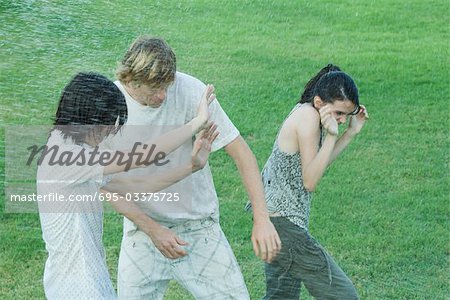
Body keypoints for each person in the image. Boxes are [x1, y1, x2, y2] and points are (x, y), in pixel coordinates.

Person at [109, 36, 281, 299]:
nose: (163, 96)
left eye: (167, 86)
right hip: (142, 231)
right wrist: (154, 231)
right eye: (155, 89)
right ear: (131, 79)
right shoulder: (109, 105)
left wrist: (262, 218)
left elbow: (242, 154)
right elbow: (107, 186)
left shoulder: (190, 91)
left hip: (198, 227)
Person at [37, 71, 217, 299]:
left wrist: (191, 167)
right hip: (77, 288)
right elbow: (142, 156)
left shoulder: (74, 150)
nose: (109, 132)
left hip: (89, 279)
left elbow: (135, 187)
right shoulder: (65, 156)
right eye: (105, 125)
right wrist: (196, 123)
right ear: (86, 118)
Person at [261, 64, 368, 299]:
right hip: (285, 226)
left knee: (281, 297)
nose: (341, 120)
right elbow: (310, 181)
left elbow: (316, 167)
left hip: (275, 222)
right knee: (344, 295)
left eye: (345, 115)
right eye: (339, 113)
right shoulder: (307, 118)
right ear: (319, 102)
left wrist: (350, 133)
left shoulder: (308, 113)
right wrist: (331, 136)